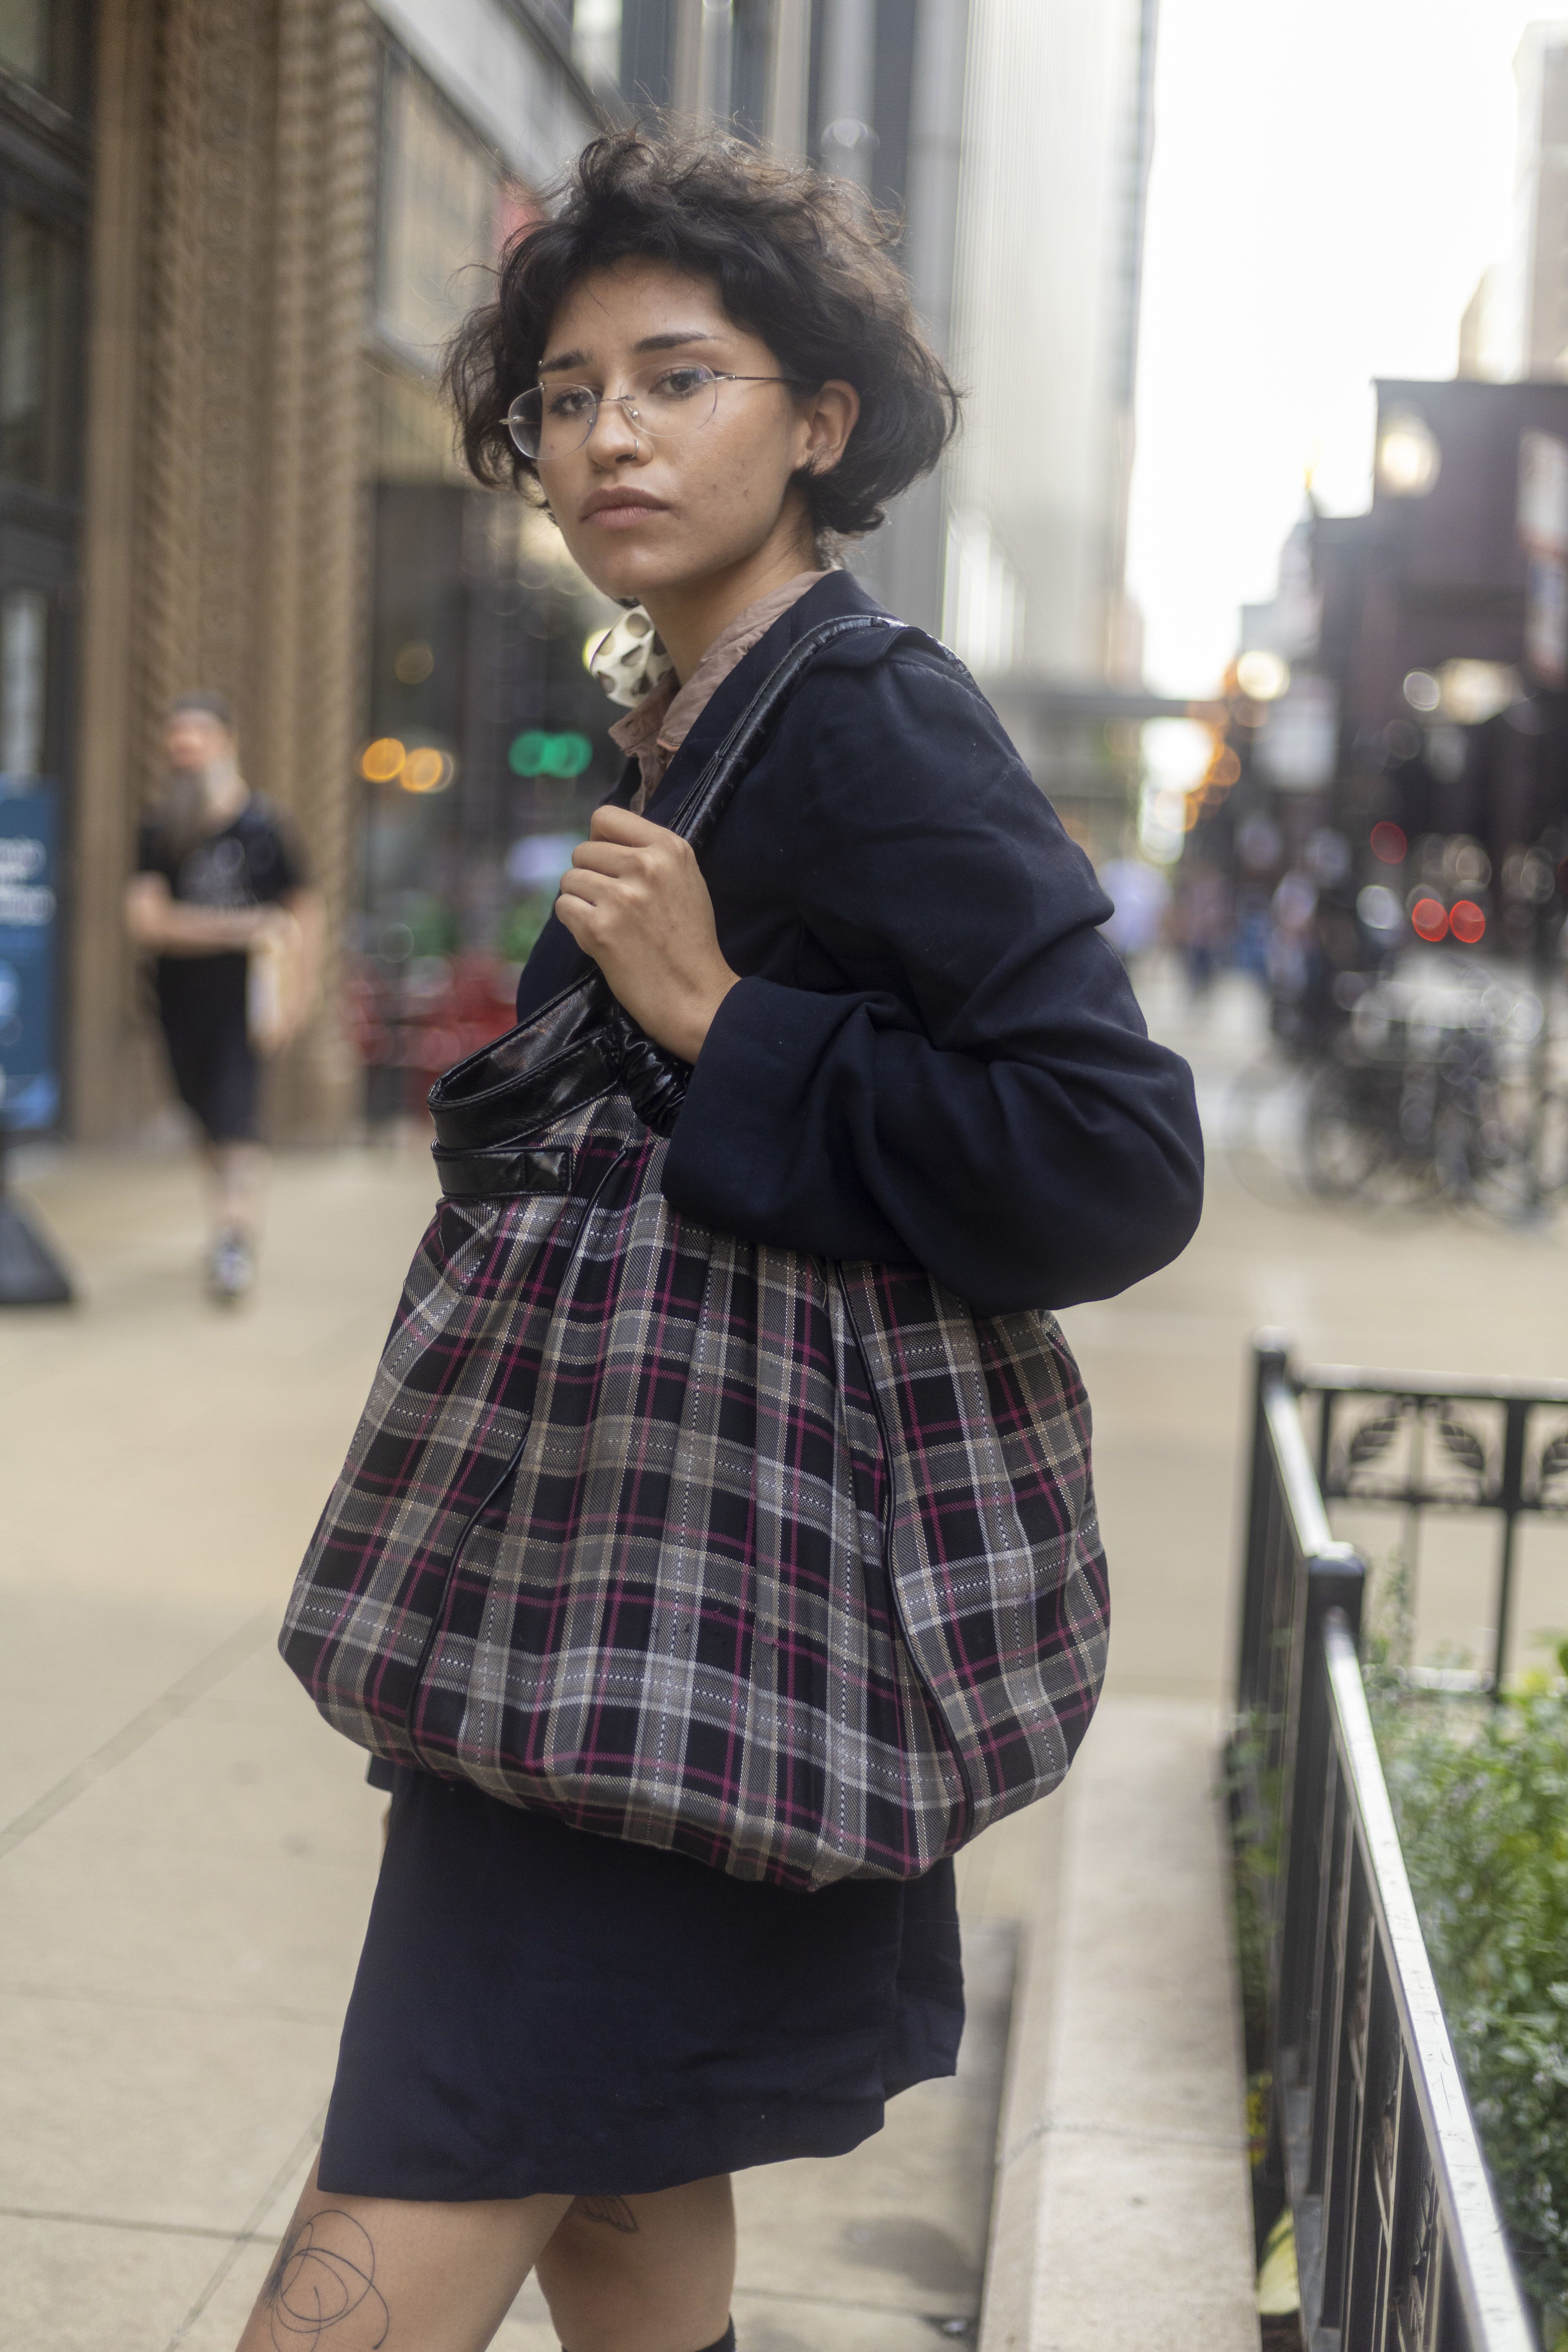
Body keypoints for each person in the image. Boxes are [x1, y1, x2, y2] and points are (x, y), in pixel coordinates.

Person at [236, 132, 1203, 2352]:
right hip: (615, 1613)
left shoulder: (865, 715)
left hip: (682, 1627)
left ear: (820, 418)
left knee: (436, 2158)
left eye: (677, 378)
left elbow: (1117, 1155)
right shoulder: (698, 706)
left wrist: (726, 1024)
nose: (611, 436)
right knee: (617, 2198)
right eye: (569, 396)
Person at [125, 691, 322, 1300]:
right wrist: (241, 927)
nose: (187, 750)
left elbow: (303, 912)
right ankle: (229, 1221)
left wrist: (300, 993)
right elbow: (147, 923)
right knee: (204, 1119)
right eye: (176, 741)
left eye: (198, 737)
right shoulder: (160, 831)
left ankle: (233, 1237)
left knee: (237, 1116)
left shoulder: (266, 827)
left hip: (248, 1002)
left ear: (227, 743)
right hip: (179, 1001)